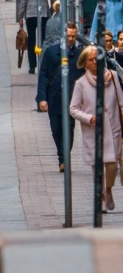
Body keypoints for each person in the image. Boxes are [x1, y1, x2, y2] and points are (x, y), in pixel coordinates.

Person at [69, 46, 123, 212]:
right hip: (93, 132)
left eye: (97, 59)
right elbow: (73, 109)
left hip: (113, 129)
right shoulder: (81, 84)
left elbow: (121, 102)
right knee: (97, 168)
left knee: (113, 166)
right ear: (85, 63)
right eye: (91, 60)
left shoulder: (112, 77)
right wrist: (88, 118)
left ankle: (108, 190)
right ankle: (101, 199)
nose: (95, 62)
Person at [38, 24, 85, 171]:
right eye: (68, 36)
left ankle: (64, 159)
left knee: (69, 129)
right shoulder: (51, 52)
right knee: (56, 129)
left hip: (72, 100)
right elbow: (43, 75)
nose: (71, 39)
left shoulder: (79, 55)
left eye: (73, 36)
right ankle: (61, 155)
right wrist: (42, 98)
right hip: (54, 98)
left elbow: (84, 77)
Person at [16, 0, 58, 74]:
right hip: (44, 13)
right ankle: (44, 62)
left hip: (30, 13)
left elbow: (23, 0)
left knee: (31, 39)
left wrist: (20, 16)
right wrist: (51, 12)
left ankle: (32, 66)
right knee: (44, 39)